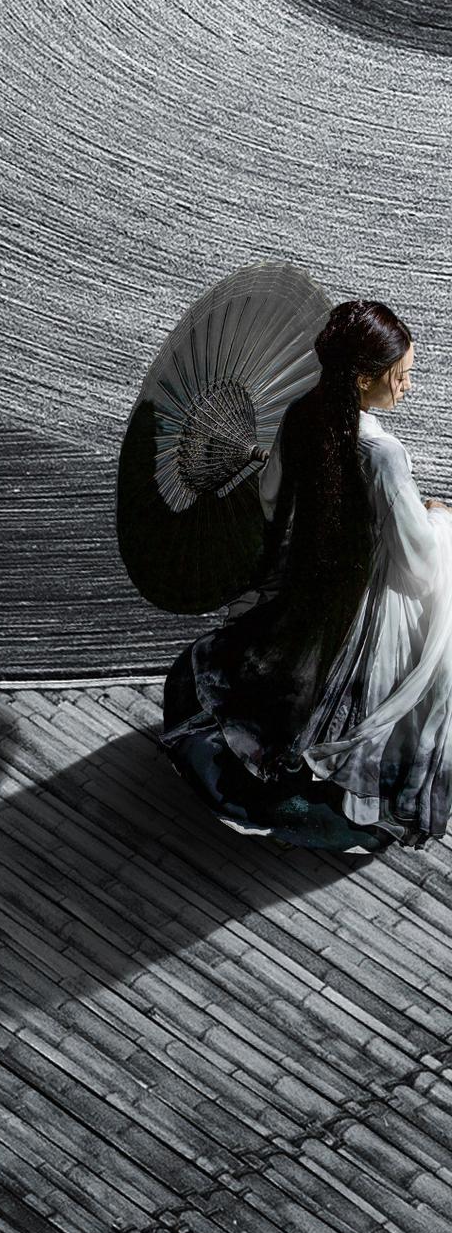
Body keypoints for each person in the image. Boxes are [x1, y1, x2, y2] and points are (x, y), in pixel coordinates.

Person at [162, 300, 452, 850]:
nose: (409, 387)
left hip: (310, 580)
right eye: (403, 376)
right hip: (364, 596)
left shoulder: (304, 413)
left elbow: (273, 502)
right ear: (366, 378)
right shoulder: (384, 453)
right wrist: (439, 518)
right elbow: (416, 562)